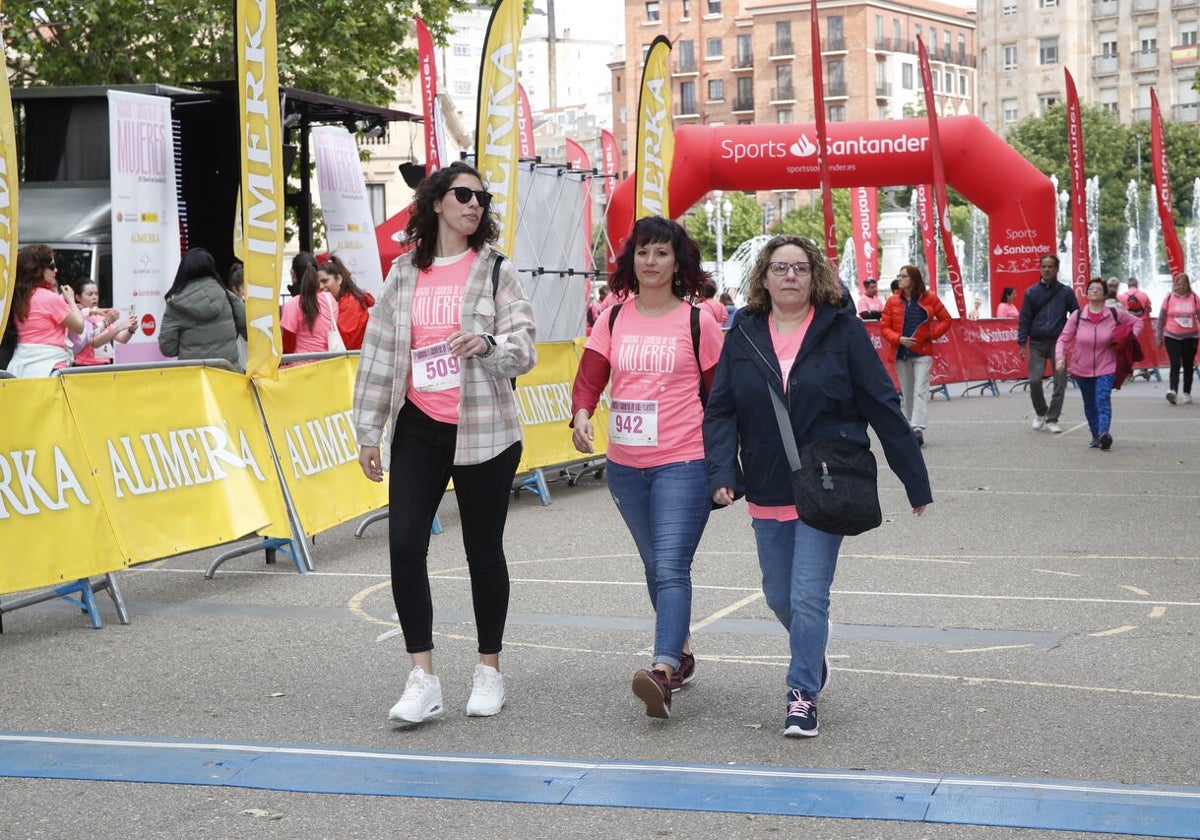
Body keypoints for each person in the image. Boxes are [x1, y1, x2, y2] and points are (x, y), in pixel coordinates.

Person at [703, 235, 930, 738]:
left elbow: (881, 403)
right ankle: (814, 651)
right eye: (780, 268)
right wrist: (721, 474)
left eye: (800, 268)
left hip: (827, 481)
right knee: (778, 596)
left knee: (808, 597)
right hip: (766, 480)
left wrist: (914, 480)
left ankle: (801, 692)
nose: (790, 277)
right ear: (763, 278)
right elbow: (720, 409)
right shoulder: (741, 334)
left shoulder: (842, 330)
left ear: (815, 277)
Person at [352, 160, 537, 725]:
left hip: (485, 428)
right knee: (405, 544)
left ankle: (489, 669)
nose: (473, 204)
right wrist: (369, 429)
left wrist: (486, 343)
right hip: (420, 426)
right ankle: (423, 676)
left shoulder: (494, 270)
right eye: (462, 194)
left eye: (480, 198)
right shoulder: (405, 272)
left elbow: (524, 346)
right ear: (436, 202)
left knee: (483, 552)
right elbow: (382, 353)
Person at [569, 215, 723, 720]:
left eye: (661, 253)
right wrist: (581, 414)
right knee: (655, 565)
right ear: (630, 260)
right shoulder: (613, 316)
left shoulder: (699, 320)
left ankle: (660, 671)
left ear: (677, 261)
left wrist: (726, 462)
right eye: (642, 252)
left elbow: (721, 398)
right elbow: (591, 375)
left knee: (673, 565)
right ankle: (679, 652)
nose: (651, 261)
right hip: (625, 465)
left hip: (684, 459)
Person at [1055, 278, 1143, 450]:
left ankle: (1104, 433)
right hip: (1081, 368)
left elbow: (1137, 322)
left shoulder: (1114, 314)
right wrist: (1060, 357)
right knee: (1089, 403)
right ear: (1087, 294)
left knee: (1102, 399)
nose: (1094, 291)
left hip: (1107, 367)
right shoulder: (1078, 316)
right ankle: (1095, 435)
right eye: (1091, 289)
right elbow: (1064, 339)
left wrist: (1130, 338)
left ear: (1104, 294)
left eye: (1098, 289)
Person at [879, 265, 952, 447]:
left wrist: (931, 335)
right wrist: (899, 339)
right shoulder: (892, 301)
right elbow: (884, 328)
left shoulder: (931, 298)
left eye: (903, 276)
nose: (900, 279)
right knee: (908, 393)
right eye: (899, 275)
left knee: (920, 390)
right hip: (900, 352)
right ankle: (911, 427)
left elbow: (946, 319)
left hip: (923, 352)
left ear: (913, 279)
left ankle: (917, 428)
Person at [1016, 254, 1078, 434]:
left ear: (1057, 269)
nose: (1047, 270)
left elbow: (1076, 315)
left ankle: (1052, 418)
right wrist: (1021, 343)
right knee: (1034, 381)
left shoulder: (1066, 292)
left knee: (1060, 382)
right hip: (1036, 342)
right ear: (1040, 268)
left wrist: (1072, 335)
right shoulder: (1031, 293)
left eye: (1050, 266)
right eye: (1043, 266)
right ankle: (1041, 412)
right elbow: (1024, 319)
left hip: (1058, 343)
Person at [3, 244, 85, 377]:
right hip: (50, 366)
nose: (56, 270)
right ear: (38, 269)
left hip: (20, 366)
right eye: (52, 266)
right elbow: (79, 327)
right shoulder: (50, 298)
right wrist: (70, 300)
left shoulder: (16, 297)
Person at [159, 247, 246, 369]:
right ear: (212, 268)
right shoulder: (228, 296)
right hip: (228, 377)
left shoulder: (174, 304)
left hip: (193, 380)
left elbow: (168, 349)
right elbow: (249, 331)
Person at [67, 279, 136, 366]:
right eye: (90, 294)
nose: (94, 297)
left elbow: (122, 339)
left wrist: (131, 330)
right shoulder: (78, 318)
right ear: (78, 297)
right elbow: (94, 342)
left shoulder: (103, 317)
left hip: (105, 365)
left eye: (96, 294)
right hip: (84, 366)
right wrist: (119, 327)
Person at [1156, 272, 1199, 405]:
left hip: (1190, 336)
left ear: (1188, 286)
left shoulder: (1194, 298)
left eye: (1184, 285)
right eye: (1179, 284)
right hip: (1172, 335)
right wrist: (1159, 337)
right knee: (1175, 363)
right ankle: (1172, 390)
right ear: (1175, 285)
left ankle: (1187, 392)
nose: (1181, 287)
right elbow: (1161, 318)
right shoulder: (1169, 299)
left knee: (1188, 365)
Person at [316, 255, 374, 350]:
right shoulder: (344, 299)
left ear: (339, 279)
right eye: (318, 283)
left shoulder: (351, 302)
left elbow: (347, 339)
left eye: (325, 281)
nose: (321, 286)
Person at [281, 261, 338, 356]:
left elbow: (288, 345)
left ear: (294, 275)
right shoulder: (330, 299)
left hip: (300, 366)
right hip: (327, 364)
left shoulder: (292, 304)